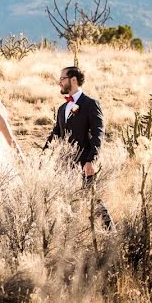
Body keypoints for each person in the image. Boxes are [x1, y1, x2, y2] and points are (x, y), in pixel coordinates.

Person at [44, 66, 115, 230]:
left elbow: (98, 133)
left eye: (62, 78)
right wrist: (43, 156)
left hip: (84, 163)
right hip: (64, 164)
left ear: (73, 80)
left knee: (93, 198)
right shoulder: (62, 108)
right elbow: (56, 134)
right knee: (66, 201)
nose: (60, 82)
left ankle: (110, 232)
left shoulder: (90, 104)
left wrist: (91, 160)